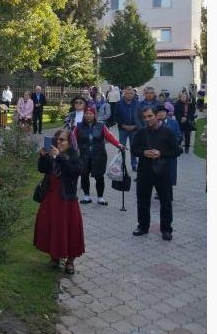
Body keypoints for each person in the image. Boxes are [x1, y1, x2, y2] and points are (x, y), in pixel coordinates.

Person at [33, 129, 86, 275]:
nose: (58, 142)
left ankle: (70, 261)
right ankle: (55, 257)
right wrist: (43, 157)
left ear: (70, 142)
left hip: (67, 199)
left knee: (69, 230)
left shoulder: (74, 155)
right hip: (51, 197)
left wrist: (59, 157)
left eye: (62, 140)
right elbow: (42, 169)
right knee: (52, 228)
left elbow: (74, 171)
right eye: (57, 139)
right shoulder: (53, 154)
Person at [131, 106, 181, 240]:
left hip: (162, 171)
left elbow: (177, 150)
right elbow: (133, 150)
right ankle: (143, 226)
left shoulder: (168, 132)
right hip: (144, 171)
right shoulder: (141, 133)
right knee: (142, 200)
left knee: (165, 201)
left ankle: (166, 229)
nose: (147, 119)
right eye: (145, 117)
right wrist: (143, 152)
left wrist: (161, 154)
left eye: (150, 116)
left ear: (157, 116)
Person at [74, 106, 125, 205]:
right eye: (87, 113)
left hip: (99, 155)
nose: (88, 115)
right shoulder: (78, 126)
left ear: (94, 115)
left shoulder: (101, 126)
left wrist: (118, 144)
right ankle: (87, 196)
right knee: (84, 175)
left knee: (99, 176)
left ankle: (100, 198)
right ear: (84, 115)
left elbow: (109, 136)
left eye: (91, 114)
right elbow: (73, 139)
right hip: (83, 156)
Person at [112, 87, 143, 169]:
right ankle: (121, 164)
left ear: (134, 94)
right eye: (127, 93)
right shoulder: (119, 104)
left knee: (134, 147)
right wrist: (123, 125)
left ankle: (134, 164)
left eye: (131, 93)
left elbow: (141, 117)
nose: (129, 95)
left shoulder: (138, 104)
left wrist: (135, 126)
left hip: (134, 129)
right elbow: (116, 116)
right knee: (121, 147)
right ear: (124, 94)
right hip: (122, 129)